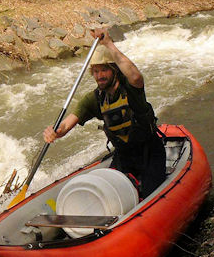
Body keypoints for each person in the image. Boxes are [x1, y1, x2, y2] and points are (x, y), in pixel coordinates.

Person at [43, 28, 166, 198]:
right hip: (124, 157)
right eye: (95, 71)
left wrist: (108, 43)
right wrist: (56, 132)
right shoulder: (94, 99)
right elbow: (67, 124)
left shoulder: (131, 88)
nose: (99, 75)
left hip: (150, 153)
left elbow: (136, 76)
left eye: (104, 70)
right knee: (108, 196)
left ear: (114, 70)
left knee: (150, 195)